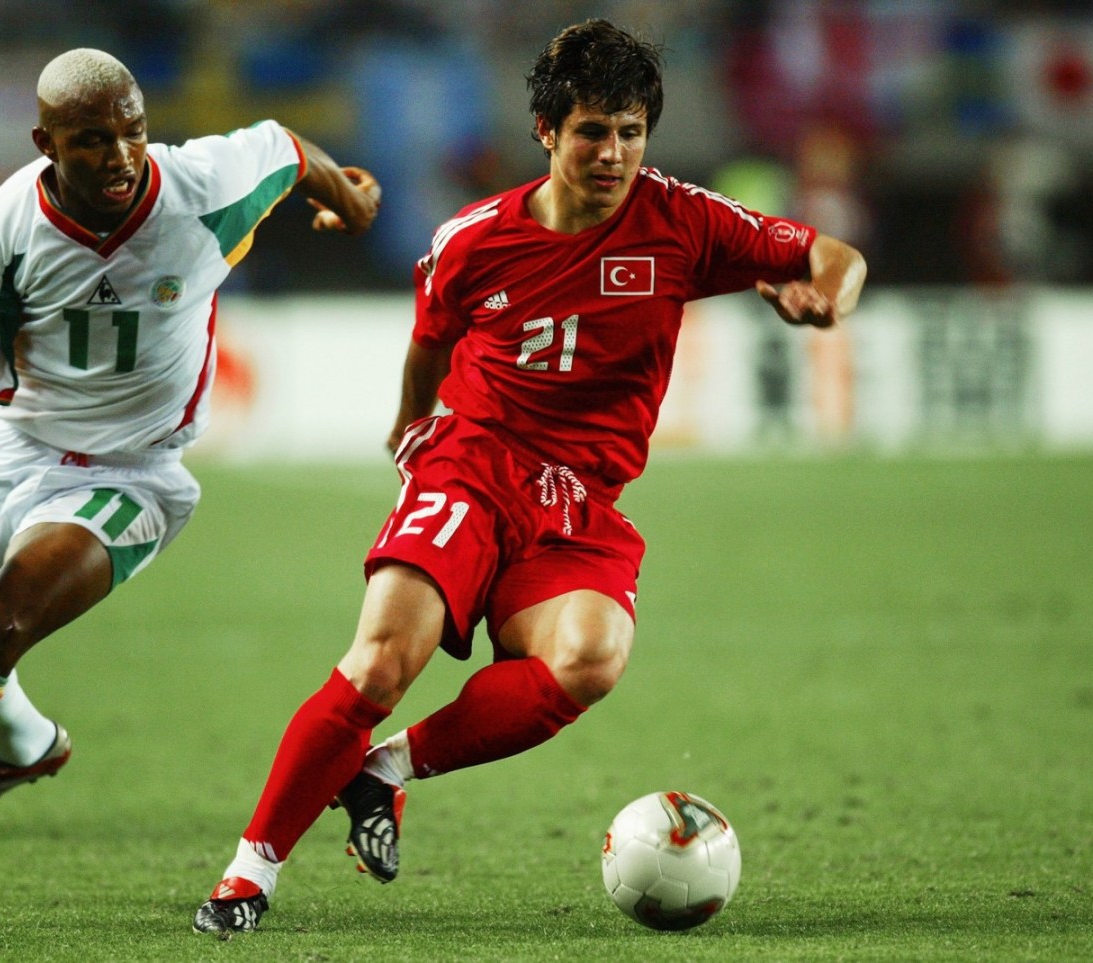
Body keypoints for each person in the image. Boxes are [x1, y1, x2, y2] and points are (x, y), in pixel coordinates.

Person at [193, 18, 865, 938]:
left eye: (630, 131)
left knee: (590, 658)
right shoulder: (472, 240)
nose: (614, 153)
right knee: (383, 659)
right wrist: (408, 427)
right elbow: (429, 344)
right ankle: (249, 873)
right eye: (592, 131)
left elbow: (834, 255)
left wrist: (825, 296)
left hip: (579, 501)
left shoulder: (683, 220)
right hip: (472, 466)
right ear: (548, 132)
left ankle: (384, 769)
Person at [0, 47, 380, 922]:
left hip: (134, 473)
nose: (121, 155)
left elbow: (283, 147)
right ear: (45, 143)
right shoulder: (2, 231)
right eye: (92, 140)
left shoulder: (200, 187)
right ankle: (28, 746)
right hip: (17, 448)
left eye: (133, 131)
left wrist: (347, 201)